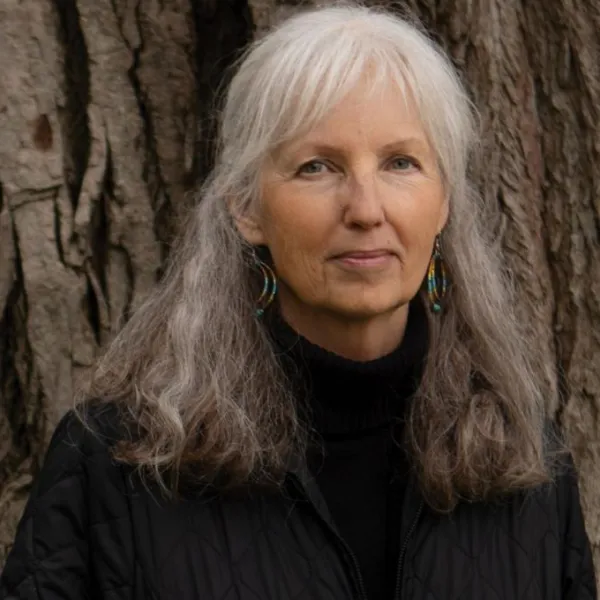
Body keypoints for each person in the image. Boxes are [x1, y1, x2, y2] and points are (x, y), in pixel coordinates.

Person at [0, 4, 596, 600]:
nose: (366, 209)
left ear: (442, 203)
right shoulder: (118, 463)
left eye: (400, 163)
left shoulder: (526, 465)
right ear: (245, 206)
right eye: (317, 166)